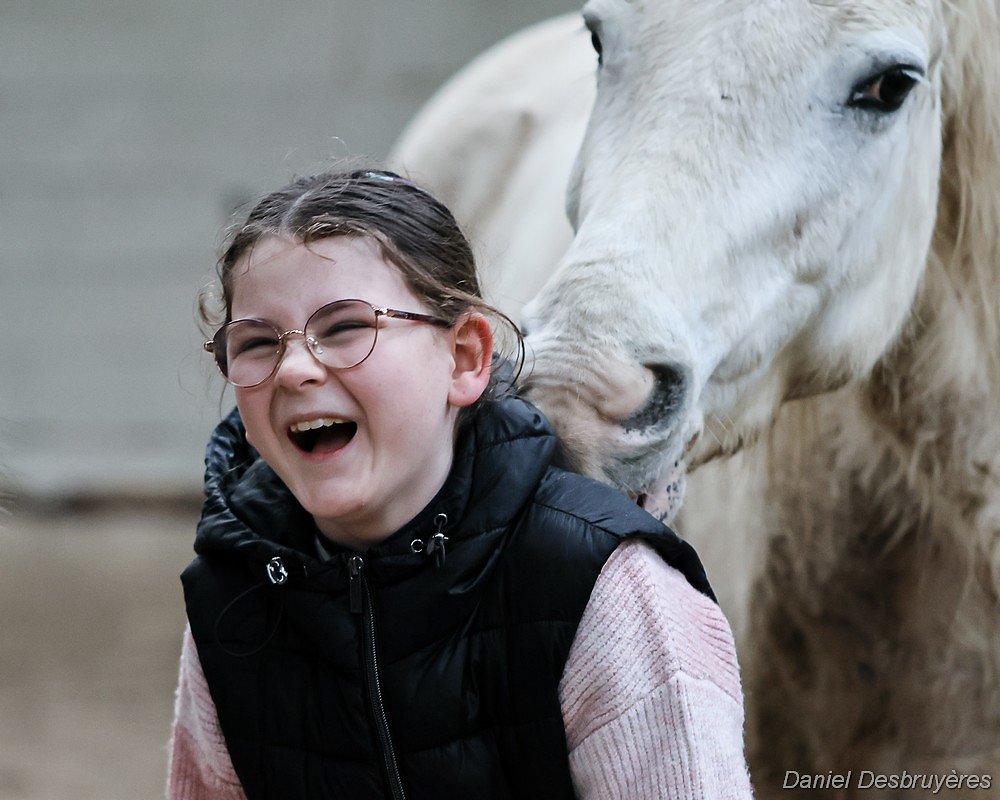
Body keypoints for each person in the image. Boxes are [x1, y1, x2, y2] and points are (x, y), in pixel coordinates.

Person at [167, 167, 753, 799]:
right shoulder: (233, 595)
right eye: (255, 342)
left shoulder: (610, 592)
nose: (295, 369)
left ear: (466, 357)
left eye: (344, 328)